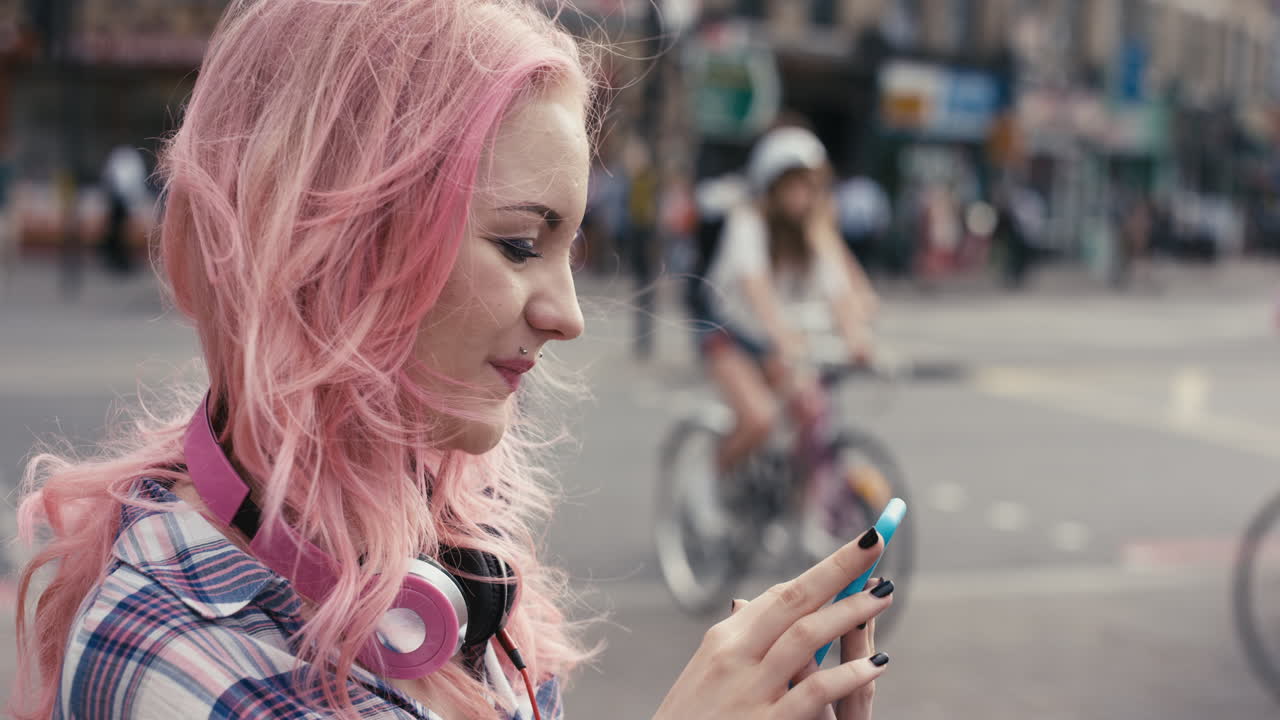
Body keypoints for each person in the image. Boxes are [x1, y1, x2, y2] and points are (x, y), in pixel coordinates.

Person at [10, 3, 896, 720]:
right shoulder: (172, 652)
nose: (569, 316)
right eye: (519, 245)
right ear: (341, 238)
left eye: (570, 249)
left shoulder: (443, 532)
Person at [699, 126, 880, 492]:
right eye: (794, 184)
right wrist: (783, 337)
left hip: (783, 347)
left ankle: (799, 516)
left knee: (813, 415)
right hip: (736, 339)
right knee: (759, 419)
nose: (803, 195)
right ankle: (708, 491)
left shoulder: (816, 231)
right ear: (772, 186)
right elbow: (757, 288)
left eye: (811, 185)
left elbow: (839, 291)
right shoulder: (748, 223)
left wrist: (856, 336)